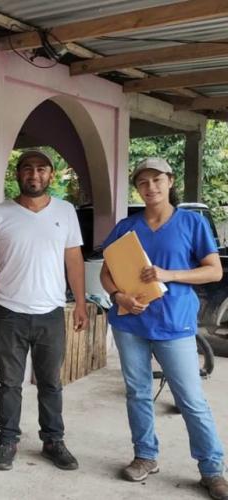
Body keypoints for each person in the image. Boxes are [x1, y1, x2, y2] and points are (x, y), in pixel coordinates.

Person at [100, 157, 227, 499]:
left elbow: (213, 271)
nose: (150, 187)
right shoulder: (127, 226)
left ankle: (212, 469)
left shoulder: (191, 223)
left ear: (170, 181)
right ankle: (145, 456)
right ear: (137, 188)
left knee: (190, 398)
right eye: (143, 183)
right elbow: (106, 271)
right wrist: (120, 297)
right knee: (138, 392)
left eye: (157, 180)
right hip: (130, 323)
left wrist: (170, 274)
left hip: (174, 323)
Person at [0, 150, 87, 472]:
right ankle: (7, 440)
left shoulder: (65, 212)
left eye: (41, 169)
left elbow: (74, 259)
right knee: (9, 382)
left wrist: (79, 302)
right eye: (27, 169)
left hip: (50, 312)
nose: (33, 175)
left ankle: (53, 441)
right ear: (17, 175)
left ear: (51, 175)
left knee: (51, 382)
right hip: (10, 311)